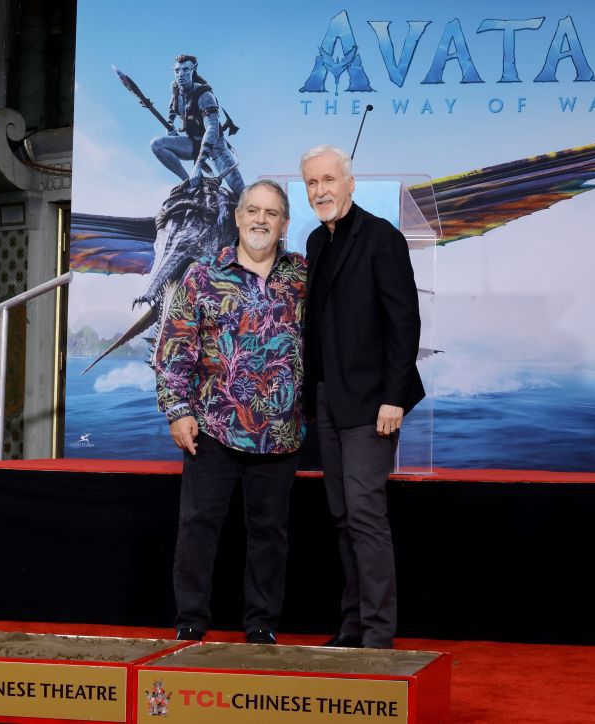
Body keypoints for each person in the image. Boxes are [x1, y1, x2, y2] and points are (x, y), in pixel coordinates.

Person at [153, 179, 305, 644]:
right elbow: (174, 347)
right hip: (213, 427)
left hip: (280, 434)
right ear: (237, 217)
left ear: (283, 224)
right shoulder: (201, 276)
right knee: (198, 527)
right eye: (253, 210)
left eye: (271, 213)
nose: (261, 219)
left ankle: (261, 625)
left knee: (269, 535)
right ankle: (191, 621)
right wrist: (177, 410)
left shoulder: (303, 276)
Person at [300, 145, 425, 649]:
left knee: (366, 512)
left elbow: (405, 321)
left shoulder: (382, 238)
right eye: (311, 183)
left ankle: (377, 634)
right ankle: (352, 625)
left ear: (350, 183)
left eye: (329, 179)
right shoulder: (314, 241)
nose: (320, 190)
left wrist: (394, 397)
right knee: (341, 514)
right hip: (327, 400)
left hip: (374, 403)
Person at [151, 54, 244, 196]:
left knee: (243, 193)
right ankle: (189, 183)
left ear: (193, 69)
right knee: (157, 145)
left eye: (185, 70)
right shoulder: (175, 91)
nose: (180, 74)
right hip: (193, 144)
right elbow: (172, 111)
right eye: (177, 70)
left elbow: (212, 129)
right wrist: (170, 127)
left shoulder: (204, 94)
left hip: (216, 147)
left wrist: (198, 165)